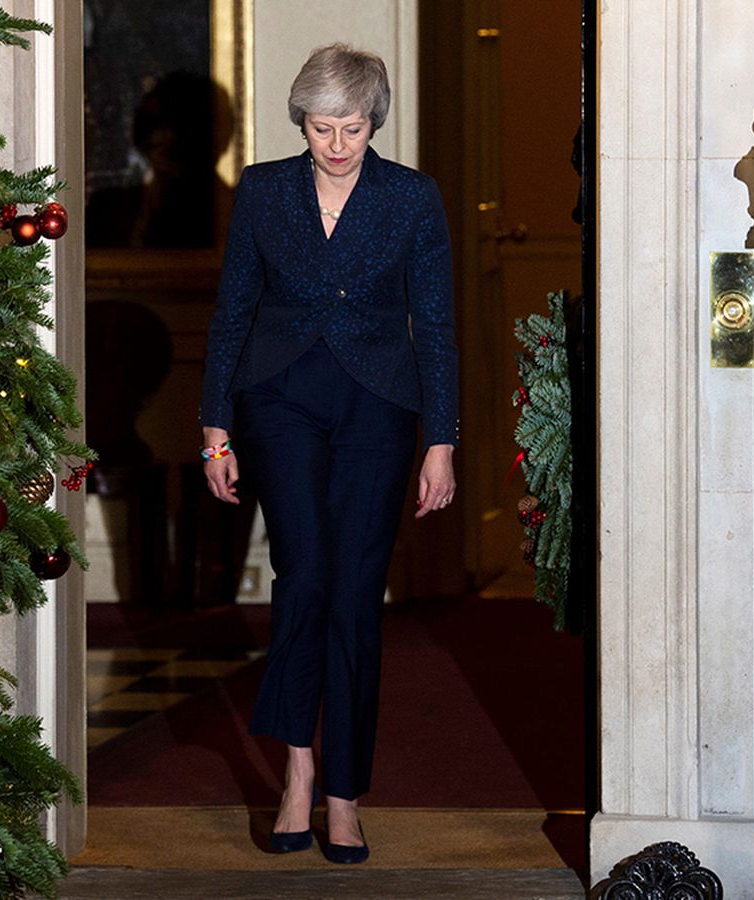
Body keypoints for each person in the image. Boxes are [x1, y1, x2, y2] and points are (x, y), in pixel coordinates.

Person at [198, 43, 457, 865]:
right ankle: (298, 774)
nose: (336, 144)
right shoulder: (265, 191)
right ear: (300, 122)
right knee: (303, 576)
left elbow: (439, 327)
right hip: (278, 400)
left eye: (350, 127)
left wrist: (442, 442)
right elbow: (233, 310)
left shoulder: (412, 198)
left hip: (379, 406)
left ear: (373, 121)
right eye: (320, 127)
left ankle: (345, 793)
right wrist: (215, 426)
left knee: (354, 593)